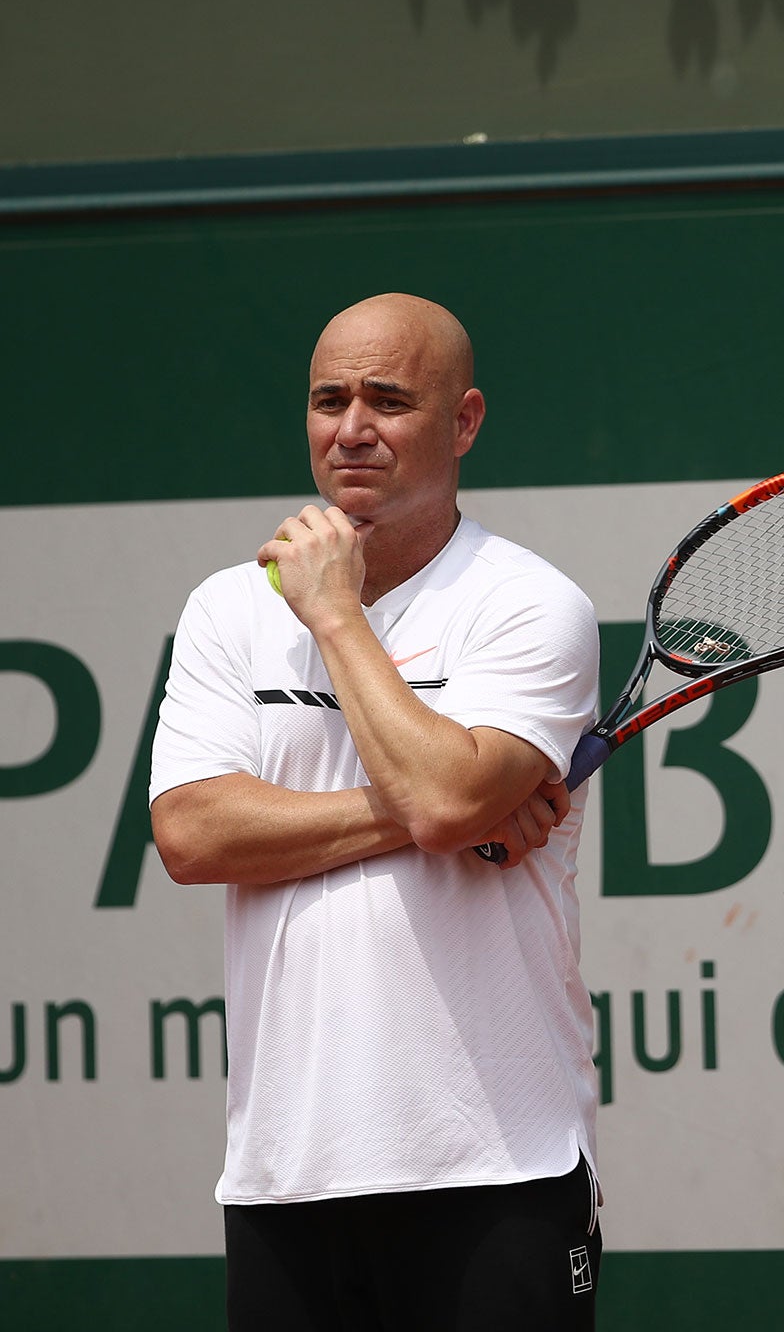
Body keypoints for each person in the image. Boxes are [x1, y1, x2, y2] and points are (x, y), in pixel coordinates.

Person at [150, 293, 605, 1331]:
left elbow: (448, 797)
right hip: (286, 1175)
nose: (351, 427)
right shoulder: (227, 608)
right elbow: (191, 835)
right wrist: (425, 807)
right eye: (329, 399)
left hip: (500, 1170)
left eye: (389, 400)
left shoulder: (529, 606)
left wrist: (333, 612)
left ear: (464, 420)